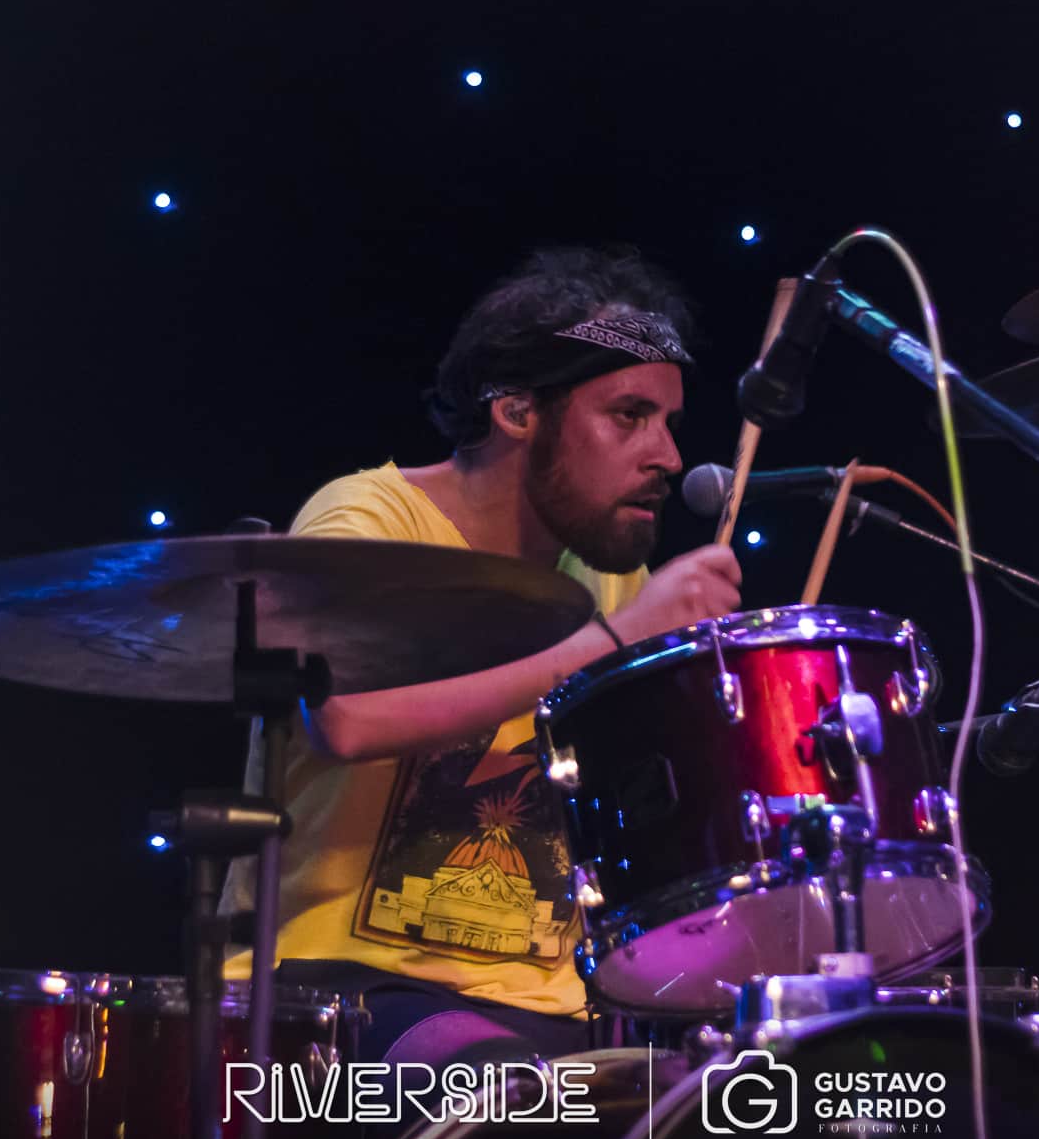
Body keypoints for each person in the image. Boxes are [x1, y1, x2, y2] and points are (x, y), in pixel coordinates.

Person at [222, 245, 742, 1081]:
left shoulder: (612, 580)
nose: (669, 457)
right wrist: (616, 640)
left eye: (669, 423)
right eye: (629, 415)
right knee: (513, 1106)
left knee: (741, 1107)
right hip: (338, 991)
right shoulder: (369, 517)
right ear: (516, 411)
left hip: (556, 1006)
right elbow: (345, 720)